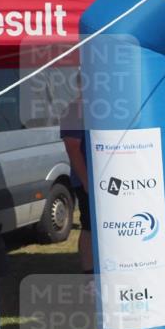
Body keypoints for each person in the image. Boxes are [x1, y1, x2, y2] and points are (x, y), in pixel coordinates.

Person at [59, 83, 92, 276]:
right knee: (89, 226)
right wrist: (86, 182)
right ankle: (89, 274)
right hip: (86, 181)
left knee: (98, 226)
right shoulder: (74, 110)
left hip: (104, 182)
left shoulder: (99, 108)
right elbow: (72, 148)